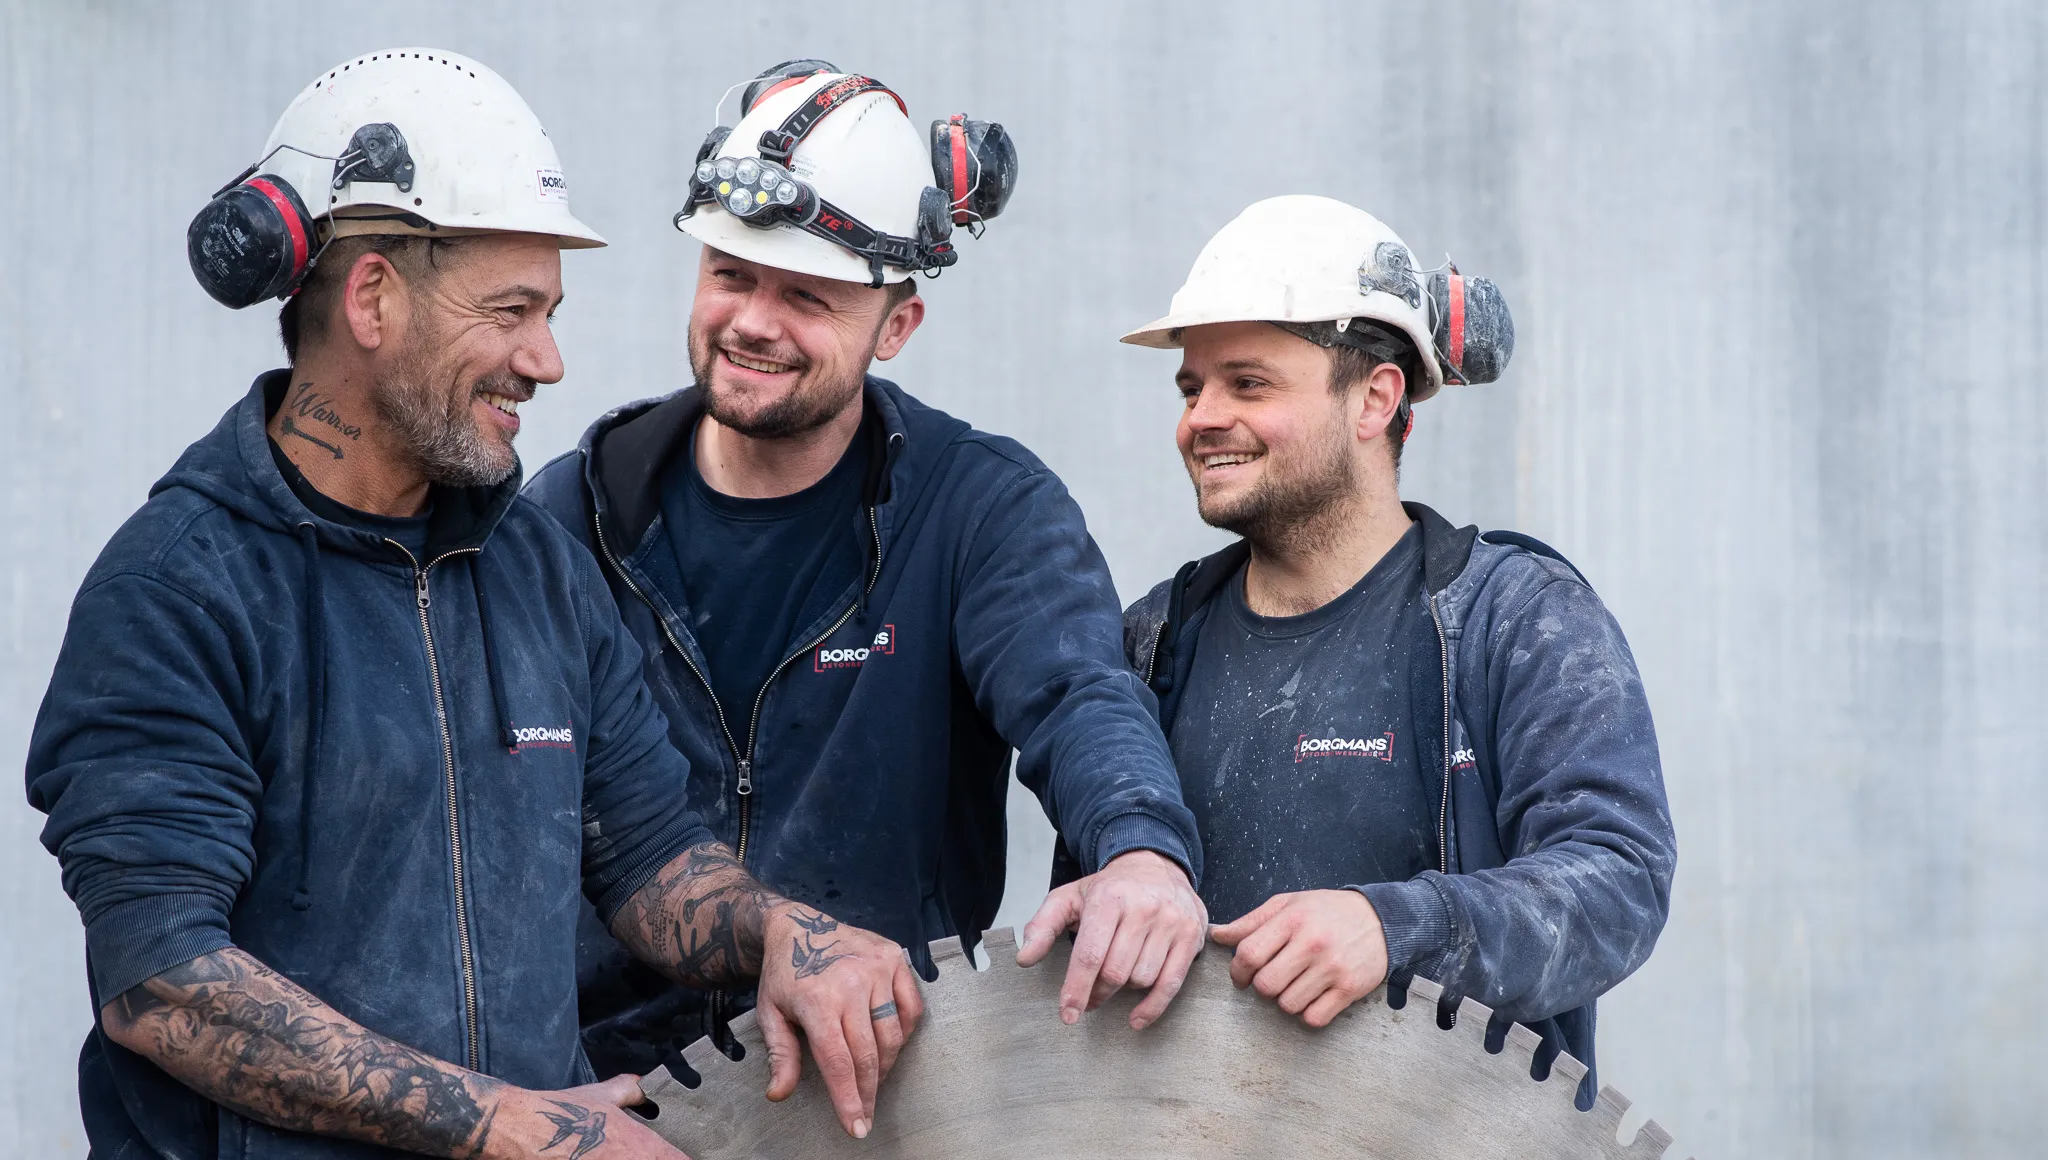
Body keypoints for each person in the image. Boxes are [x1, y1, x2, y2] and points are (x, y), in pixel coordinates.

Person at [27, 51, 916, 1160]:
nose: (548, 360)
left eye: (549, 312)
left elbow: (651, 860)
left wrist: (788, 932)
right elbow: (164, 981)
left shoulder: (535, 565)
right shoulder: (182, 583)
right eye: (513, 311)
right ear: (374, 295)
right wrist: (512, 1126)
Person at [526, 61, 1208, 1076]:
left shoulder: (978, 509)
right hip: (615, 1103)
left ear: (896, 325)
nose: (754, 319)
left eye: (806, 294)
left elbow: (1077, 695)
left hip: (882, 1097)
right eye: (730, 274)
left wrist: (1143, 854)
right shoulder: (571, 514)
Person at [1117, 196, 1675, 1105]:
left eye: (1248, 384)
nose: (1201, 418)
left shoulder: (1514, 619)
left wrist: (1395, 929)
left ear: (1375, 397)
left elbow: (1620, 882)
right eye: (1192, 387)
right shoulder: (1154, 640)